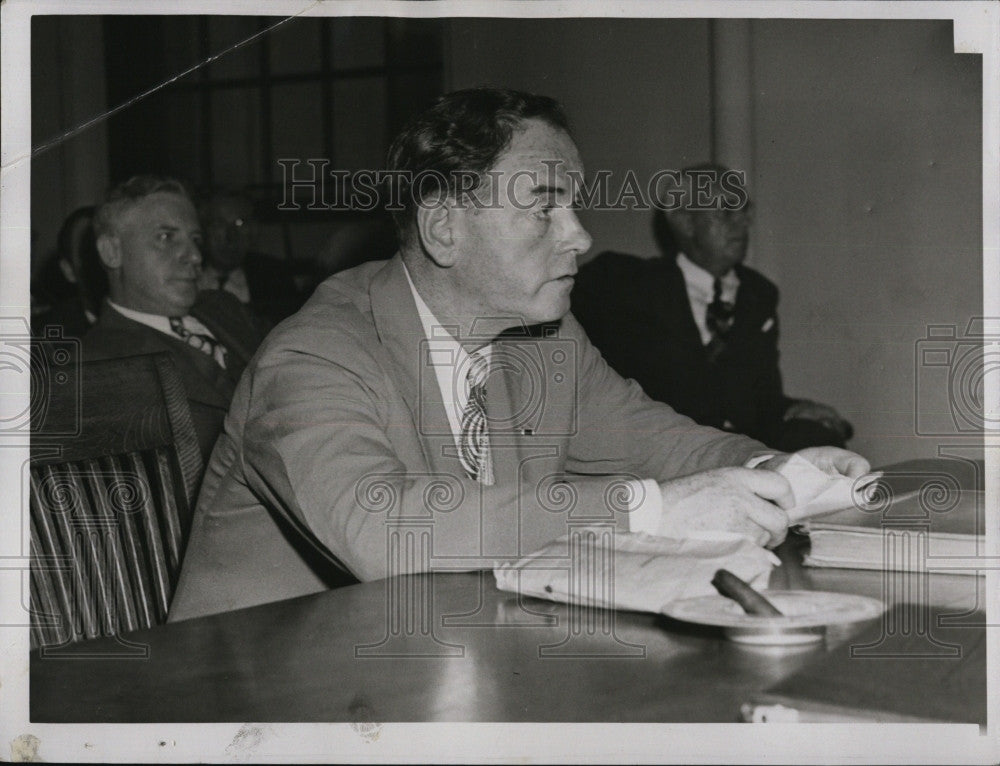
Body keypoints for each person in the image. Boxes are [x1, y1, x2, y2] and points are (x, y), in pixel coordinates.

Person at [168, 89, 868, 621]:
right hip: (258, 706)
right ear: (444, 227)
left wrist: (774, 470)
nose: (581, 237)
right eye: (545, 207)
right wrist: (648, 510)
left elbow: (668, 447)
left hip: (441, 667)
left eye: (576, 207)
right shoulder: (315, 354)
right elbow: (385, 532)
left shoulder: (544, 344)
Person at [572, 163, 852, 452]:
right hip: (661, 449)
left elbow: (759, 398)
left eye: (745, 212)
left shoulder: (758, 294)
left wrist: (793, 408)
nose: (743, 224)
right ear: (683, 221)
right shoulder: (624, 282)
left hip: (740, 449)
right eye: (727, 212)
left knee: (819, 441)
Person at [82, 175, 266, 460]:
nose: (194, 255)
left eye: (196, 239)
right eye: (165, 237)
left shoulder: (225, 308)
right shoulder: (93, 365)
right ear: (111, 252)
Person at [198, 189, 304, 325]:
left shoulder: (275, 277)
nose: (231, 236)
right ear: (203, 230)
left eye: (240, 223)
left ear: (254, 231)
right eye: (219, 224)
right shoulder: (186, 275)